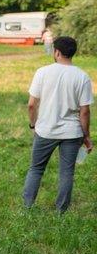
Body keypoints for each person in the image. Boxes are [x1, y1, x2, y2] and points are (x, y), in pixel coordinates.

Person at [21, 36, 93, 213]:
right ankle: (61, 211)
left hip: (45, 130)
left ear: (57, 52)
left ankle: (27, 207)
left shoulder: (42, 72)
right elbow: (84, 111)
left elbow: (31, 104)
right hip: (72, 132)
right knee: (66, 173)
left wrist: (33, 125)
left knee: (36, 169)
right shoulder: (82, 76)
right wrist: (86, 136)